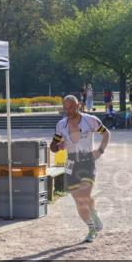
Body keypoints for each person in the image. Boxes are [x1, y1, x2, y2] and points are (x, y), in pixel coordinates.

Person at [50, 95, 111, 242]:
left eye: (71, 107)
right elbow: (53, 147)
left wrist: (100, 150)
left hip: (87, 161)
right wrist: (59, 146)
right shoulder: (61, 125)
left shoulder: (90, 120)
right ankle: (91, 223)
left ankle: (93, 222)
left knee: (84, 195)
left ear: (78, 105)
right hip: (71, 162)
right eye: (65, 108)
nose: (68, 111)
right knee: (78, 199)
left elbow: (106, 133)